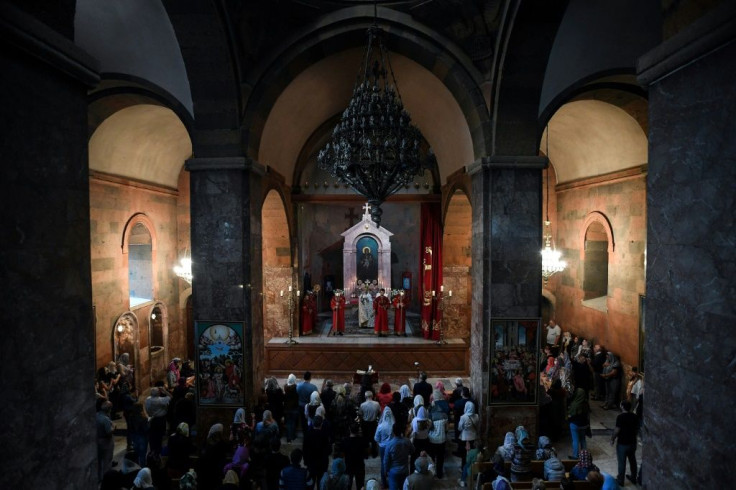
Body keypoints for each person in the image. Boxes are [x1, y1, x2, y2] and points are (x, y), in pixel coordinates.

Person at [611, 400, 639, 486]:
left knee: (622, 462)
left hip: (622, 443)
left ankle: (620, 480)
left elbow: (617, 430)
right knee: (632, 460)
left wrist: (612, 438)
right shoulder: (635, 416)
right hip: (632, 443)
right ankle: (634, 478)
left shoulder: (620, 417)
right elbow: (637, 429)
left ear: (622, 406)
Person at [383, 422, 414, 490]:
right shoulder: (407, 441)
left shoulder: (389, 444)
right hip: (405, 470)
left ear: (393, 431)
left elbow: (386, 460)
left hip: (393, 471)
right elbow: (412, 451)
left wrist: (385, 471)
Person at [304, 415, 331, 485]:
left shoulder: (308, 435)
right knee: (320, 483)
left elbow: (305, 450)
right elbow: (329, 450)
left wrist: (306, 461)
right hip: (322, 464)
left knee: (311, 483)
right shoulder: (325, 436)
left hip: (311, 463)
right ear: (321, 423)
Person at [144, 386, 171, 455]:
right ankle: (158, 452)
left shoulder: (148, 399)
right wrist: (165, 391)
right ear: (159, 393)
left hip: (152, 419)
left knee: (152, 436)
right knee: (159, 436)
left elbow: (147, 409)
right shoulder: (162, 400)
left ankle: (152, 450)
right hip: (160, 420)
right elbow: (171, 397)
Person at [427, 395, 448, 479]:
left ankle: (432, 473)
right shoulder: (444, 415)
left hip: (432, 440)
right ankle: (439, 474)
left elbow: (429, 428)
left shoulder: (431, 415)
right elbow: (447, 429)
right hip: (442, 440)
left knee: (431, 457)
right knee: (440, 458)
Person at [457, 401, 479, 481]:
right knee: (472, 455)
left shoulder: (463, 417)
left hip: (465, 438)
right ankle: (471, 469)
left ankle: (464, 468)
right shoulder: (476, 416)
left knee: (464, 455)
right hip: (473, 437)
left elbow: (459, 428)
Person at [374, 406, 395, 487]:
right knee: (392, 462)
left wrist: (381, 442)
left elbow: (376, 438)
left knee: (383, 463)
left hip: (383, 447)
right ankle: (392, 481)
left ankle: (383, 482)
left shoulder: (380, 426)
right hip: (392, 446)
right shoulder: (393, 425)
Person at [567, 387, 590, 459]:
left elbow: (571, 415)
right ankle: (585, 455)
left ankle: (575, 456)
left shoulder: (575, 404)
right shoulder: (586, 404)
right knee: (583, 439)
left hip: (575, 424)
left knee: (575, 440)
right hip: (584, 424)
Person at [96, 400, 115, 483]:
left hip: (97, 440)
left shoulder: (96, 415)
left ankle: (99, 478)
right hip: (106, 441)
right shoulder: (105, 419)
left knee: (99, 461)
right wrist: (114, 427)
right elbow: (109, 432)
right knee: (107, 460)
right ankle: (107, 480)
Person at [128, 402, 150, 467]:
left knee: (136, 452)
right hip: (142, 436)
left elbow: (130, 427)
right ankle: (142, 467)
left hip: (134, 436)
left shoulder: (131, 416)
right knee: (142, 454)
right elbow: (146, 429)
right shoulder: (143, 418)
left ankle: (136, 466)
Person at [359, 391, 381, 456]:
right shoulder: (376, 404)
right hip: (373, 423)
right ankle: (374, 453)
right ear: (372, 396)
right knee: (374, 438)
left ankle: (365, 454)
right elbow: (379, 413)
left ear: (365, 397)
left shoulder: (362, 405)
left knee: (365, 438)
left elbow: (360, 414)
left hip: (365, 423)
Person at [297, 371, 318, 436]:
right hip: (310, 406)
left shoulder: (298, 385)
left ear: (304, 377)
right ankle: (309, 433)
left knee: (303, 421)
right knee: (310, 420)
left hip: (300, 405)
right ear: (310, 378)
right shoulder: (313, 387)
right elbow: (317, 396)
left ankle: (304, 433)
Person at [284, 374, 299, 443]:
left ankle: (288, 438)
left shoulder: (285, 387)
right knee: (293, 423)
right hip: (295, 408)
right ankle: (292, 436)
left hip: (287, 408)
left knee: (288, 423)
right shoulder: (296, 387)